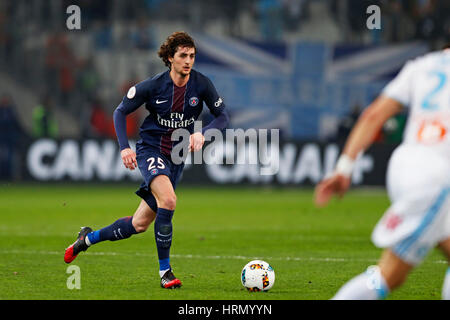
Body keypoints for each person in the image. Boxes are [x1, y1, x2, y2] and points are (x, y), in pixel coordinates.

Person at [64, 31, 229, 289]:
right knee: (170, 200)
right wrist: (124, 148)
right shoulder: (153, 86)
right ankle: (165, 272)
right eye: (183, 55)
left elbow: (222, 117)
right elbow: (120, 112)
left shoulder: (202, 85)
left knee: (138, 224)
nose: (188, 61)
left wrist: (203, 134)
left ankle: (86, 239)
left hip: (176, 159)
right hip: (151, 151)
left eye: (192, 56)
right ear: (170, 58)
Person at [314, 45, 450, 300]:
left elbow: (373, 115)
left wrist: (344, 168)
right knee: (389, 274)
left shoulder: (421, 66)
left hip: (406, 164)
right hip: (438, 177)